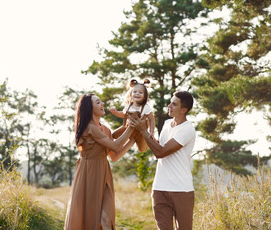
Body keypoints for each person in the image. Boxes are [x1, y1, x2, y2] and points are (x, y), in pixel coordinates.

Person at [64, 93, 136, 230]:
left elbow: (114, 156)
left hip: (104, 174)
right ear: (89, 109)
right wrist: (131, 128)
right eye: (98, 102)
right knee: (90, 218)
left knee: (107, 219)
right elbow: (114, 145)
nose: (102, 103)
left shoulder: (105, 129)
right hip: (88, 174)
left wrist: (131, 141)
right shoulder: (89, 128)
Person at [130, 91, 196, 230]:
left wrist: (144, 131)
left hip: (181, 189)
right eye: (170, 102)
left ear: (184, 110)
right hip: (159, 188)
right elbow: (158, 146)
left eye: (174, 104)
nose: (169, 105)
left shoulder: (187, 130)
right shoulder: (166, 124)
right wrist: (144, 129)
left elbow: (161, 152)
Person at [109, 79, 155, 152]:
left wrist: (151, 132)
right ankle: (131, 138)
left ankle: (137, 140)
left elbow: (151, 119)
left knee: (142, 149)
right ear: (131, 93)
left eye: (140, 92)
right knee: (113, 135)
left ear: (145, 96)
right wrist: (115, 112)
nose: (137, 94)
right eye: (135, 92)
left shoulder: (145, 107)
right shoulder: (129, 105)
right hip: (128, 128)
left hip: (140, 132)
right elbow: (123, 115)